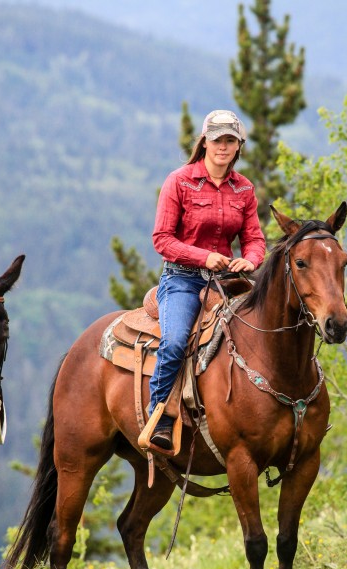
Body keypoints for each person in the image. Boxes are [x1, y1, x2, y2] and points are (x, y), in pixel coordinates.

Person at [147, 109, 266, 452]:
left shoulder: (243, 189)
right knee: (174, 343)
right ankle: (161, 417)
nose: (223, 146)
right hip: (182, 279)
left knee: (262, 331)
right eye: (217, 139)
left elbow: (255, 239)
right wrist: (203, 256)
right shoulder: (180, 181)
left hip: (227, 281)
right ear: (205, 142)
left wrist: (251, 259)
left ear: (238, 145)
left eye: (230, 140)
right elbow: (162, 239)